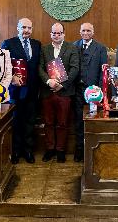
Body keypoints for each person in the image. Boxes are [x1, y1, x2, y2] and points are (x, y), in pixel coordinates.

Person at [2, 18, 41, 164]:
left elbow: (38, 66)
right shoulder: (8, 43)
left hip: (32, 90)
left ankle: (28, 150)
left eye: (29, 28)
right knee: (16, 121)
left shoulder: (37, 44)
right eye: (23, 27)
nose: (26, 30)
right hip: (16, 90)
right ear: (18, 28)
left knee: (30, 121)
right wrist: (12, 77)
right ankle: (16, 150)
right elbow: (4, 66)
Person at [38, 23, 79, 163]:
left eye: (59, 33)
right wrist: (48, 81)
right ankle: (50, 149)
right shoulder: (44, 49)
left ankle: (61, 150)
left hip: (64, 92)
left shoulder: (72, 48)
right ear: (50, 34)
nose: (56, 35)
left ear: (64, 34)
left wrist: (62, 85)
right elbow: (40, 68)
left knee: (62, 123)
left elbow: (74, 69)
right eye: (54, 33)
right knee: (48, 123)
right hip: (47, 91)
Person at [73, 23, 107, 162]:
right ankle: (79, 151)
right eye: (83, 30)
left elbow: (103, 72)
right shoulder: (73, 45)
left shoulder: (100, 48)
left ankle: (91, 152)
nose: (85, 33)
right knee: (78, 121)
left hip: (94, 92)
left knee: (93, 122)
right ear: (80, 32)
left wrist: (99, 91)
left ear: (93, 32)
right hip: (76, 91)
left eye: (88, 30)